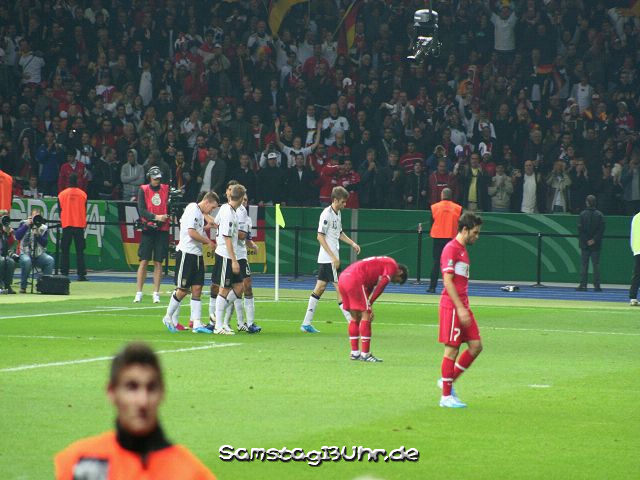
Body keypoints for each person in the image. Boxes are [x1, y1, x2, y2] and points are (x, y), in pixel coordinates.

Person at [54, 342, 216, 479]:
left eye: (151, 388)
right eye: (132, 387)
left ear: (162, 393)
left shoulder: (191, 474)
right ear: (112, 392)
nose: (142, 401)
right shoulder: (80, 463)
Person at [438, 212, 484, 408]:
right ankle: (445, 397)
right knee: (452, 349)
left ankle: (446, 381)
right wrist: (459, 308)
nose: (477, 236)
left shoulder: (462, 250)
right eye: (475, 232)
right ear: (465, 230)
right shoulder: (451, 249)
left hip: (462, 306)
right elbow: (447, 281)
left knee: (476, 346)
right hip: (452, 306)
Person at [301, 186, 361, 333]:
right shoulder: (326, 214)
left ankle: (306, 324)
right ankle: (352, 323)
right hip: (329, 259)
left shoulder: (337, 213)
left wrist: (352, 243)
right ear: (335, 200)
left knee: (320, 288)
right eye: (342, 202)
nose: (344, 205)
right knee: (341, 289)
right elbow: (320, 236)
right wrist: (333, 257)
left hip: (328, 259)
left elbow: (339, 233)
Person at [162, 191, 219, 332]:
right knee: (182, 290)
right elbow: (191, 233)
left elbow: (198, 230)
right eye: (212, 207)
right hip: (187, 253)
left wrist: (207, 230)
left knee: (197, 288)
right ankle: (168, 317)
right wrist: (208, 242)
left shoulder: (199, 212)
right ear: (207, 202)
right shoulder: (193, 208)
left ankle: (197, 323)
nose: (212, 210)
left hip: (197, 254)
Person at [338, 256, 408, 362]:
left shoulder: (377, 267)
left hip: (343, 277)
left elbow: (369, 287)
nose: (393, 282)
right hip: (355, 278)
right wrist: (369, 304)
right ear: (400, 272)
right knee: (366, 315)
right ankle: (365, 354)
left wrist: (368, 303)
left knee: (355, 317)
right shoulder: (392, 265)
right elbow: (382, 284)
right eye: (397, 280)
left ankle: (355, 353)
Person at [217, 193, 262, 334]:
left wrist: (252, 244)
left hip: (240, 255)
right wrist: (244, 235)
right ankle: (222, 321)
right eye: (244, 199)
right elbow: (240, 235)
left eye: (247, 200)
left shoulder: (244, 215)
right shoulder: (233, 212)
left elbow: (245, 238)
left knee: (242, 287)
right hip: (232, 255)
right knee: (228, 287)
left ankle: (243, 323)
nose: (245, 202)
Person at [210, 183, 246, 335]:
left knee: (239, 287)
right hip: (226, 255)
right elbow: (227, 238)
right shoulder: (230, 213)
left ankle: (216, 315)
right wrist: (234, 260)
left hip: (228, 254)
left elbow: (215, 223)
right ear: (241, 198)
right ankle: (218, 326)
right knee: (224, 289)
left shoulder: (226, 208)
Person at [134, 167, 170, 304]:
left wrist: (165, 216)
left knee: (158, 261)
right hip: (148, 228)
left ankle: (156, 292)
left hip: (162, 229)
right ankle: (139, 292)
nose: (157, 181)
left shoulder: (165, 189)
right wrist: (156, 217)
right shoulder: (143, 189)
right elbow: (142, 210)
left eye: (158, 178)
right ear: (149, 177)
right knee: (144, 260)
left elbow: (170, 205)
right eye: (155, 178)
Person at [428, 188, 462, 293]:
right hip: (451, 239)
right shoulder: (458, 208)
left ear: (442, 195)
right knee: (451, 264)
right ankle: (452, 288)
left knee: (436, 263)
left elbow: (431, 223)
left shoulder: (434, 207)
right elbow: (461, 224)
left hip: (437, 238)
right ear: (451, 196)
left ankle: (432, 287)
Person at [15, 208, 54, 293]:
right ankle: (23, 287)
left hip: (38, 254)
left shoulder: (43, 227)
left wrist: (38, 235)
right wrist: (26, 225)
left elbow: (44, 243)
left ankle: (45, 286)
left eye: (37, 216)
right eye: (34, 216)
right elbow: (17, 236)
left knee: (49, 260)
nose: (35, 218)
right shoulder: (23, 223)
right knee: (27, 261)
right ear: (30, 216)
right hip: (24, 253)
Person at [58, 173, 88, 281]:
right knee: (80, 251)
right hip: (79, 225)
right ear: (77, 181)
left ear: (68, 181)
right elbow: (85, 209)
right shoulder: (83, 194)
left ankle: (64, 273)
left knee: (65, 250)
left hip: (67, 224)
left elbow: (59, 210)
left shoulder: (62, 194)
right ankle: (81, 275)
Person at [576, 195, 605, 292]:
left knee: (584, 265)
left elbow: (580, 230)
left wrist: (586, 240)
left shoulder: (582, 214)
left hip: (585, 245)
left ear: (587, 202)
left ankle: (583, 285)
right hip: (596, 245)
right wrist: (594, 240)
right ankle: (597, 285)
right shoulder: (600, 215)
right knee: (596, 265)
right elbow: (601, 230)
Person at [0, 210, 16, 293]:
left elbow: (11, 244)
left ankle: (7, 285)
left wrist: (8, 234)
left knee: (11, 262)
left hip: (4, 253)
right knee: (2, 261)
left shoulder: (9, 229)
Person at [629, 211, 640, 306]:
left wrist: (633, 249)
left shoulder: (636, 217)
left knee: (636, 274)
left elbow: (632, 234)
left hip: (637, 249)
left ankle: (633, 298)